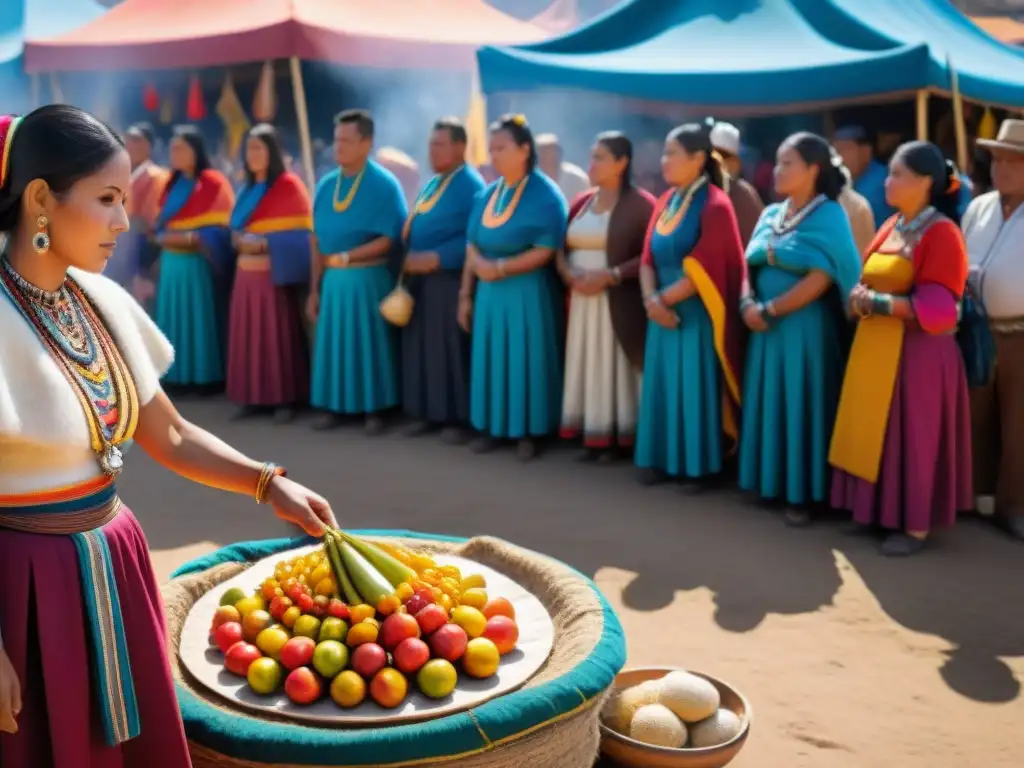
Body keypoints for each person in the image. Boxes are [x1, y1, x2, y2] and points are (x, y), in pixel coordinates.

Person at [0, 104, 335, 768]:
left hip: (114, 566)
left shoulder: (103, 301)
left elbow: (172, 434)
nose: (125, 221)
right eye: (106, 199)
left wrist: (270, 484)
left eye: (124, 199)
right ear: (41, 198)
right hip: (25, 587)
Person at [830, 142, 973, 556]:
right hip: (878, 346)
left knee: (912, 437)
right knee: (880, 433)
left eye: (897, 174)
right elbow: (870, 275)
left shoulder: (942, 232)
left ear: (925, 182)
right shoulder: (891, 224)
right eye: (889, 173)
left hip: (920, 355)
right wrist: (861, 293)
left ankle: (913, 526)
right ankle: (876, 511)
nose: (887, 181)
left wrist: (879, 303)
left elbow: (944, 307)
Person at [738, 132, 862, 526]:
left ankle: (803, 494)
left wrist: (772, 308)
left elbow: (825, 275)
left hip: (804, 331)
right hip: (765, 329)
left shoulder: (830, 215)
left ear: (814, 169)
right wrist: (746, 303)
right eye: (777, 162)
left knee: (802, 401)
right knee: (771, 400)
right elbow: (747, 264)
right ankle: (769, 483)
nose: (778, 170)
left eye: (787, 163)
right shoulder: (770, 213)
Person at [634, 122, 746, 487]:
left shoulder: (715, 204)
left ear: (698, 159)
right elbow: (647, 256)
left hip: (694, 316)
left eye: (671, 153)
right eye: (663, 152)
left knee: (694, 387)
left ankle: (698, 466)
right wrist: (651, 301)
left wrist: (661, 301)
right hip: (661, 313)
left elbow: (708, 268)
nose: (663, 160)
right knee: (664, 386)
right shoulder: (666, 201)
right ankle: (661, 460)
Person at [459, 114, 568, 461]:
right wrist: (466, 292)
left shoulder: (545, 194)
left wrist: (501, 267)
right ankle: (493, 426)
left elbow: (547, 247)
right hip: (490, 293)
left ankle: (529, 432)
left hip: (526, 293)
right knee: (493, 359)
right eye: (491, 149)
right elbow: (471, 243)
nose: (493, 155)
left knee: (526, 360)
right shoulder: (487, 194)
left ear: (524, 150)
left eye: (501, 148)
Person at [308, 110, 407, 434]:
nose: (339, 147)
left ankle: (374, 408)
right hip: (334, 281)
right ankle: (335, 405)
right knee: (334, 345)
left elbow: (389, 238)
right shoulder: (325, 185)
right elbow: (316, 240)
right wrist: (314, 287)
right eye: (336, 140)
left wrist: (349, 256)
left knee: (368, 346)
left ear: (366, 143)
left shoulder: (383, 184)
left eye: (347, 141)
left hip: (368, 279)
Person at [558, 132, 654, 461]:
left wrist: (611, 276)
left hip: (618, 303)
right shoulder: (581, 203)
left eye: (600, 157)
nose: (592, 163)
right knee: (588, 360)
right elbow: (561, 247)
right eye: (592, 155)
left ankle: (620, 436)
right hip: (583, 301)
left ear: (621, 162)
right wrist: (569, 274)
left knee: (615, 364)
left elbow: (649, 254)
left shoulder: (642, 205)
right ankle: (591, 432)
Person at [401, 118, 486, 442]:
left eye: (439, 144)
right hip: (421, 283)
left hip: (450, 281)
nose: (431, 150)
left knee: (450, 352)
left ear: (460, 146)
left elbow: (473, 237)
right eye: (431, 143)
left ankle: (457, 418)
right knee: (424, 350)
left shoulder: (471, 186)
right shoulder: (433, 183)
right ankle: (428, 413)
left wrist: (436, 258)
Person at [225, 124, 312, 424]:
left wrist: (265, 243)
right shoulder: (245, 189)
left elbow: (303, 235)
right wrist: (237, 240)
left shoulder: (289, 185)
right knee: (248, 337)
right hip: (245, 278)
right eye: (249, 148)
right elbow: (235, 227)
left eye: (259, 148)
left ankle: (283, 399)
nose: (253, 154)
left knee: (277, 338)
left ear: (272, 152)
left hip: (273, 277)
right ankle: (252, 397)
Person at [963, 118, 1024, 541]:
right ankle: (974, 496)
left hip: (1021, 333)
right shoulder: (979, 207)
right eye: (996, 158)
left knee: (1019, 426)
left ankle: (1013, 508)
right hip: (977, 328)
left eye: (1012, 160)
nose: (999, 167)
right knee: (974, 415)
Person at [152, 126, 235, 392]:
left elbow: (222, 227)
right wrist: (165, 237)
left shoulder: (213, 182)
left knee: (197, 320)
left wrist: (188, 238)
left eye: (181, 148)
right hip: (171, 264)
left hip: (195, 264)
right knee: (172, 320)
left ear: (196, 150)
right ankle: (174, 377)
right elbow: (160, 224)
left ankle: (205, 378)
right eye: (173, 148)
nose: (175, 154)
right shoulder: (171, 185)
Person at [106, 122, 168, 295]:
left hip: (141, 249)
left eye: (135, 140)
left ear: (147, 145)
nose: (128, 144)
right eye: (127, 139)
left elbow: (153, 219)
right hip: (120, 247)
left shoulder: (156, 176)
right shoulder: (122, 173)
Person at [710, 121, 764, 246]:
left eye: (724, 156)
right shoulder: (694, 191)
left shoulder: (743, 195)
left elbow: (756, 243)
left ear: (735, 162)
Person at [833, 125, 895, 226]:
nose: (839, 156)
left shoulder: (882, 179)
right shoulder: (847, 180)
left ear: (865, 151)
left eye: (845, 148)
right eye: (836, 150)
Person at [536, 133, 590, 203]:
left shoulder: (576, 178)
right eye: (543, 152)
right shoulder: (529, 180)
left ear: (559, 153)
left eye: (551, 151)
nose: (548, 156)